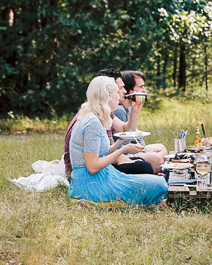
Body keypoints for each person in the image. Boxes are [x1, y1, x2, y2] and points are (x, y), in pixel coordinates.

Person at [67, 76, 167, 206]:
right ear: (109, 94)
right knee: (160, 184)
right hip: (91, 184)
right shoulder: (92, 122)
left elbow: (98, 153)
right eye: (117, 92)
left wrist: (119, 143)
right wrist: (123, 149)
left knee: (155, 181)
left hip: (97, 177)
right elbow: (92, 167)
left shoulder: (92, 117)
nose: (120, 96)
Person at [63, 67, 156, 176]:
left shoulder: (101, 111)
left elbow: (126, 130)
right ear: (108, 92)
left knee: (145, 165)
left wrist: (135, 111)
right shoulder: (93, 120)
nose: (124, 92)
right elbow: (96, 163)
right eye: (119, 89)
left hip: (94, 166)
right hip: (85, 172)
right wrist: (126, 152)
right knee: (146, 166)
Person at [114, 70, 168, 162]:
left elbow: (136, 136)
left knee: (161, 148)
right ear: (129, 90)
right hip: (124, 154)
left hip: (135, 149)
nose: (144, 90)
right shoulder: (119, 110)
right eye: (141, 86)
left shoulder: (129, 108)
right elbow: (127, 138)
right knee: (157, 158)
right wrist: (144, 154)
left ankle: (154, 168)